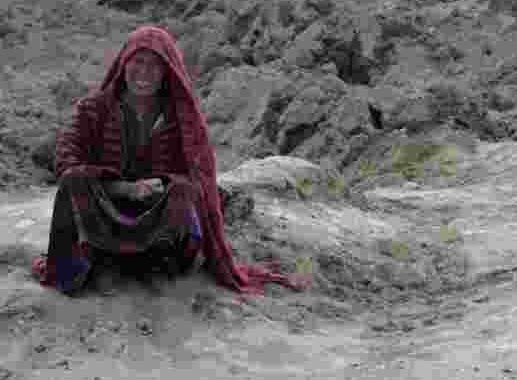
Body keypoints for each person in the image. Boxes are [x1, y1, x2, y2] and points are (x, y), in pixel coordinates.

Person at [31, 25, 310, 296]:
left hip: (155, 215)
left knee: (183, 192)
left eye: (154, 65)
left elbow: (199, 179)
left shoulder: (182, 118)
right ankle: (90, 262)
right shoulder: (93, 109)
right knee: (74, 182)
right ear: (123, 64)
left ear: (167, 72)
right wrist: (123, 188)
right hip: (103, 211)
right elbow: (66, 160)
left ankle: (154, 265)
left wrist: (161, 185)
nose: (144, 72)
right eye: (137, 62)